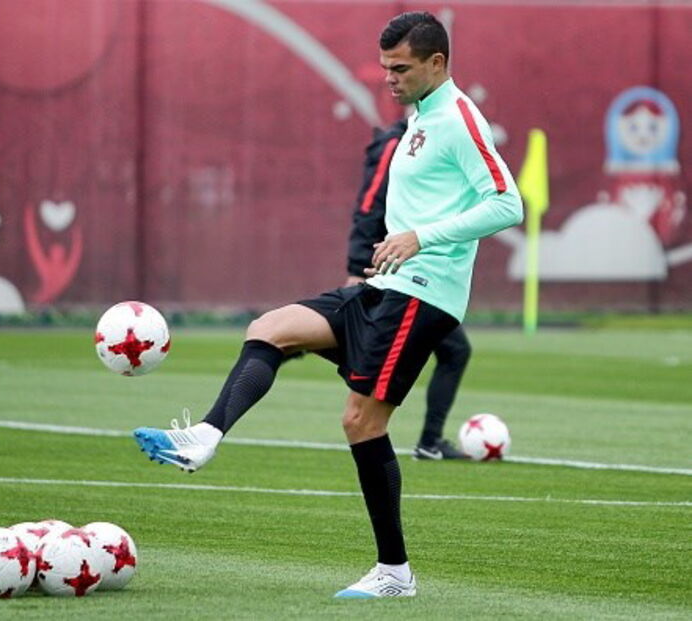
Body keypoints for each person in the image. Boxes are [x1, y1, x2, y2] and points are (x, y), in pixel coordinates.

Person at [133, 11, 522, 598]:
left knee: (361, 421)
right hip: (383, 285)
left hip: (423, 292)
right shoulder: (419, 118)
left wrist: (422, 236)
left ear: (437, 64)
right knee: (271, 328)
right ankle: (206, 435)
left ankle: (395, 573)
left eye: (401, 68)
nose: (388, 78)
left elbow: (507, 204)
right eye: (385, 67)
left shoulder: (460, 119)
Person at [346, 123, 472, 461]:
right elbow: (369, 202)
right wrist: (357, 269)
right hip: (388, 275)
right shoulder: (397, 142)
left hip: (415, 274)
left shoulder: (439, 137)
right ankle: (427, 442)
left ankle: (429, 441)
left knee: (455, 351)